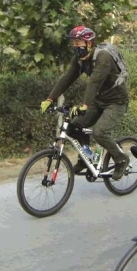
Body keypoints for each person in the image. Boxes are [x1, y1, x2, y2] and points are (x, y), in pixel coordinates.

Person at [40, 26, 130, 180]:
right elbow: (67, 78)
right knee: (75, 126)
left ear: (89, 43)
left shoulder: (103, 57)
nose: (75, 46)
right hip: (98, 100)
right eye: (73, 43)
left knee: (99, 133)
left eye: (78, 42)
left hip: (116, 102)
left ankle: (121, 159)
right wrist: (50, 99)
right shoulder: (79, 60)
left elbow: (94, 82)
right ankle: (86, 158)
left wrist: (84, 105)